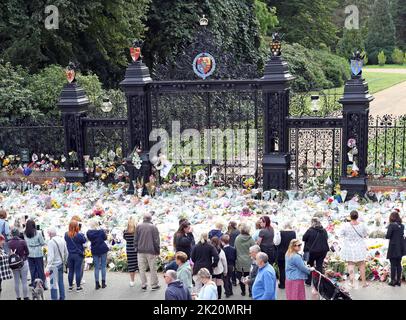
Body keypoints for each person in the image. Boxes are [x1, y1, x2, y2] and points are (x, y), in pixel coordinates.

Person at [340, 210, 369, 288]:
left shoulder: (345, 225)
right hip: (360, 246)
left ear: (350, 217)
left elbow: (341, 234)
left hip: (349, 247)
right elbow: (366, 234)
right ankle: (364, 283)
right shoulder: (362, 225)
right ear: (357, 216)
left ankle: (352, 283)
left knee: (350, 264)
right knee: (362, 264)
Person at [134, 212, 161, 291]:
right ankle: (154, 285)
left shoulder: (138, 226)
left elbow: (135, 239)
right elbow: (156, 241)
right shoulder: (153, 227)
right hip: (151, 251)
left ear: (143, 219)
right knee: (153, 268)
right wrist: (157, 250)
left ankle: (144, 285)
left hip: (140, 251)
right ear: (150, 219)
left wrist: (136, 248)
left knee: (141, 268)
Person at [302, 217, 329, 286]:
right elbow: (327, 238)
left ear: (312, 222)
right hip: (323, 251)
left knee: (310, 265)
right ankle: (318, 282)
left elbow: (304, 238)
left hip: (312, 251)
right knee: (319, 265)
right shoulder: (324, 230)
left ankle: (308, 282)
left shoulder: (310, 230)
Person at [45, 227, 68, 300]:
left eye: (48, 233)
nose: (48, 235)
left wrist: (47, 267)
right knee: (60, 282)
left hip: (53, 265)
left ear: (51, 234)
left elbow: (51, 256)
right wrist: (64, 261)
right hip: (61, 263)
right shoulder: (62, 239)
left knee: (53, 284)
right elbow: (66, 252)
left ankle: (54, 298)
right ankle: (62, 297)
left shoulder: (51, 242)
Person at [87, 219, 109, 290]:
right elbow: (105, 238)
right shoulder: (101, 231)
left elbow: (89, 239)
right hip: (102, 249)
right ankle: (103, 283)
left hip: (94, 249)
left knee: (96, 267)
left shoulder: (88, 233)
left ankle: (97, 284)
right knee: (103, 266)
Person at [65, 220, 86, 292]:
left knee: (70, 271)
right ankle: (78, 287)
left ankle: (70, 287)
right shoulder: (79, 235)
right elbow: (84, 241)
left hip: (70, 255)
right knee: (78, 271)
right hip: (78, 255)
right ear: (77, 226)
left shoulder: (66, 234)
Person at [8, 228, 30, 300]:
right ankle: (26, 297)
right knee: (24, 281)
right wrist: (24, 258)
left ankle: (18, 297)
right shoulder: (23, 242)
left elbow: (8, 254)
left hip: (14, 264)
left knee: (16, 281)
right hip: (23, 262)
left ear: (11, 234)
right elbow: (27, 252)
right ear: (18, 234)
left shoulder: (9, 243)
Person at [24, 219, 46, 288]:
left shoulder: (25, 233)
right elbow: (42, 243)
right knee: (40, 269)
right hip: (38, 252)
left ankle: (34, 283)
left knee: (32, 269)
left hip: (29, 253)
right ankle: (42, 284)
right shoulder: (38, 233)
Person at [234, 223, 255, 296]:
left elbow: (235, 249)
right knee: (249, 276)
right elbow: (254, 250)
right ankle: (250, 292)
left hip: (239, 261)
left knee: (241, 277)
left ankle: (243, 291)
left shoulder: (237, 238)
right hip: (249, 261)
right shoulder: (251, 239)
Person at [386, 211, 405, 286]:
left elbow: (388, 236)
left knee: (393, 264)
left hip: (393, 247)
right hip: (400, 247)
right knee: (399, 264)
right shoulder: (402, 225)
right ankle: (399, 281)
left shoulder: (391, 225)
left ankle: (393, 281)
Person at [276, 222, 296, 289]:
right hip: (291, 253)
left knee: (281, 269)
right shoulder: (293, 233)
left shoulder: (280, 233)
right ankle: (290, 284)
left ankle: (282, 284)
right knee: (290, 269)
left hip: (281, 253)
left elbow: (276, 242)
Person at [123, 216, 138, 287]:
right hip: (136, 250)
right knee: (139, 265)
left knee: (131, 265)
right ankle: (143, 282)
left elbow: (125, 239)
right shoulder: (137, 231)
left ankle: (132, 281)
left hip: (129, 250)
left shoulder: (125, 232)